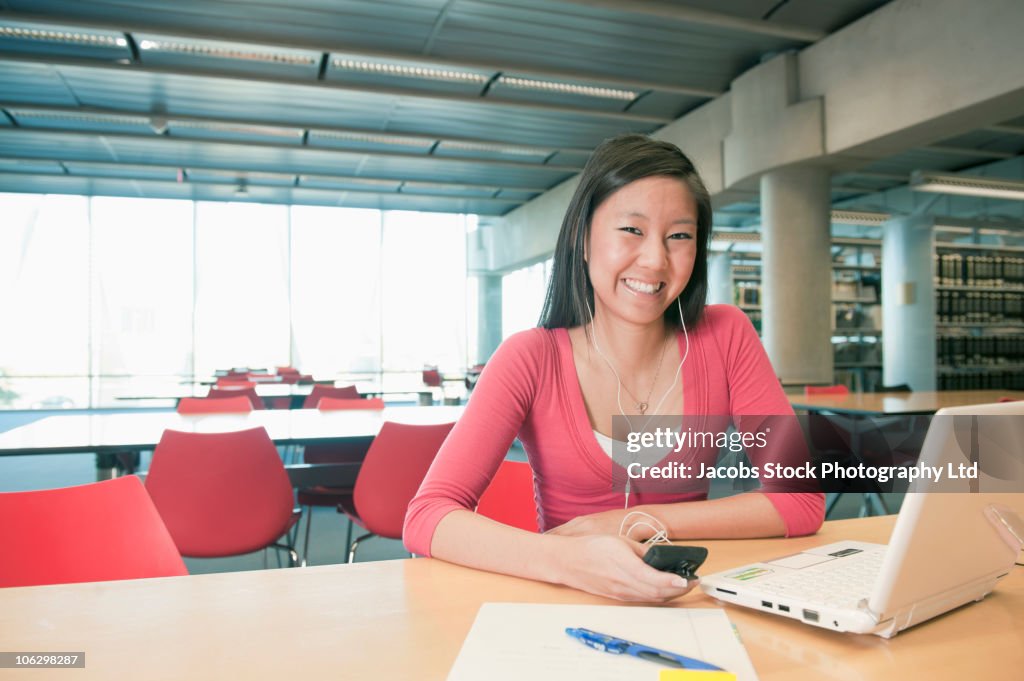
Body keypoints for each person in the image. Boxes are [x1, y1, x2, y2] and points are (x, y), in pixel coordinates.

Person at [404, 134, 824, 602]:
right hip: (566, 602)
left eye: (679, 236)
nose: (655, 259)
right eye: (632, 230)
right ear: (583, 239)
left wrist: (638, 522)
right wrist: (568, 561)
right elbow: (428, 516)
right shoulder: (531, 357)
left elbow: (800, 500)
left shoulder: (725, 335)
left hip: (685, 599)